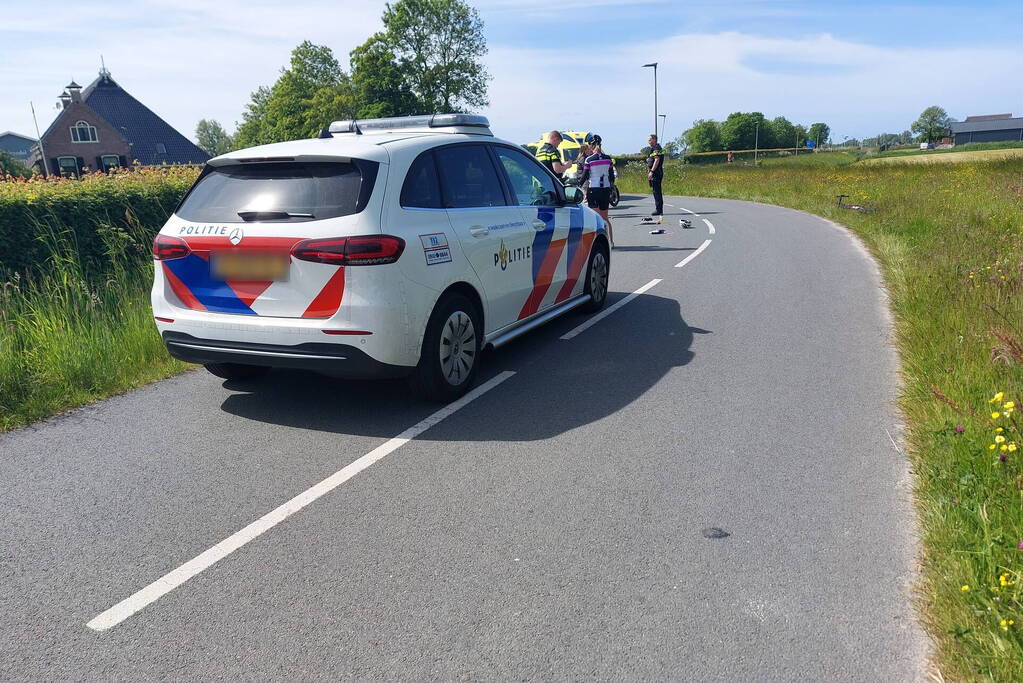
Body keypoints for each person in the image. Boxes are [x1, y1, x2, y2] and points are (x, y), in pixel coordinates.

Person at [580, 134, 615, 246]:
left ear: (591, 145)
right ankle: (611, 241)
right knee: (605, 218)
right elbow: (611, 176)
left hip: (593, 190)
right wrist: (611, 188)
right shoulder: (608, 158)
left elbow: (584, 176)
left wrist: (577, 185)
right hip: (605, 189)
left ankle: (597, 243)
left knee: (596, 219)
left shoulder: (589, 160)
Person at [647, 133, 664, 215]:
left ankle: (659, 209)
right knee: (655, 191)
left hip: (656, 172)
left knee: (657, 191)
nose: (648, 141)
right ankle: (658, 208)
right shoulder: (652, 149)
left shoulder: (657, 148)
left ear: (654, 139)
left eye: (650, 139)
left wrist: (652, 171)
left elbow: (657, 160)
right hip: (653, 172)